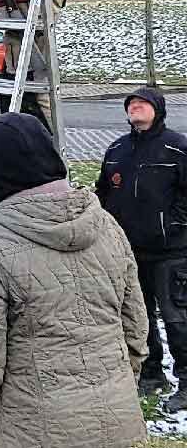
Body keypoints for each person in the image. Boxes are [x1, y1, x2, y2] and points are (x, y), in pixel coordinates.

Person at [0, 112, 148, 448]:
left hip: (34, 428)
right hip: (119, 420)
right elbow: (135, 329)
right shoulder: (107, 226)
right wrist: (119, 386)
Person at [95, 86, 187, 409]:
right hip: (128, 252)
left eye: (141, 104)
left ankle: (186, 381)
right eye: (131, 104)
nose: (135, 108)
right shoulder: (118, 150)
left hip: (171, 252)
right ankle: (151, 375)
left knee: (177, 319)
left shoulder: (178, 148)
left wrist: (175, 224)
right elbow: (102, 192)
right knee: (139, 316)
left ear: (157, 110)